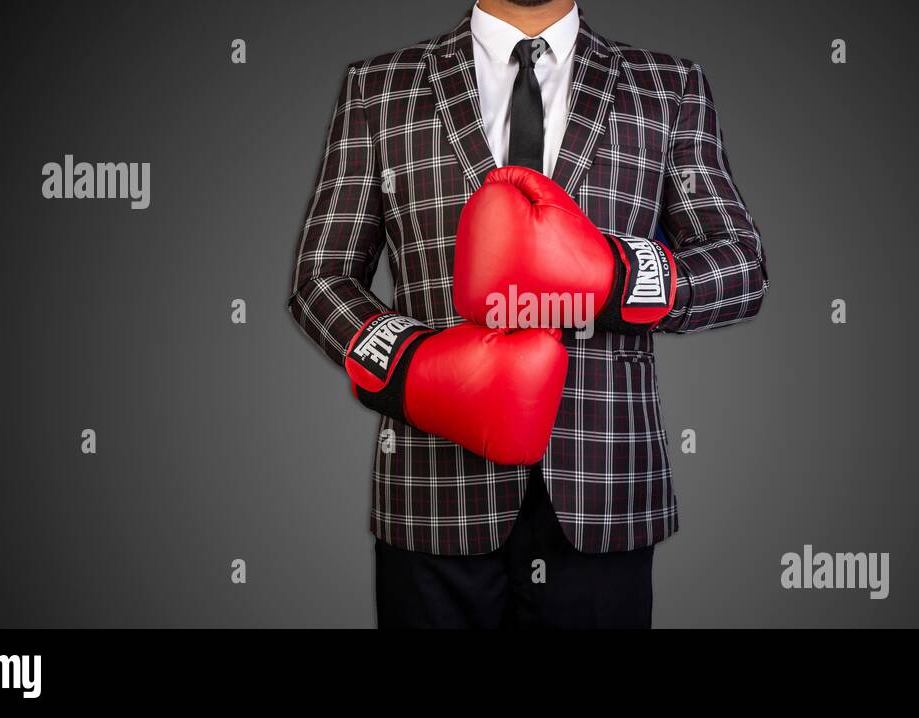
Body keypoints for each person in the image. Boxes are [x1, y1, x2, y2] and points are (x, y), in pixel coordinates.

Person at [288, 0, 768, 628]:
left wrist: (617, 276)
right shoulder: (380, 88)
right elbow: (319, 278)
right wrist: (414, 371)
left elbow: (741, 267)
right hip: (433, 494)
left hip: (604, 490)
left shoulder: (668, 87)